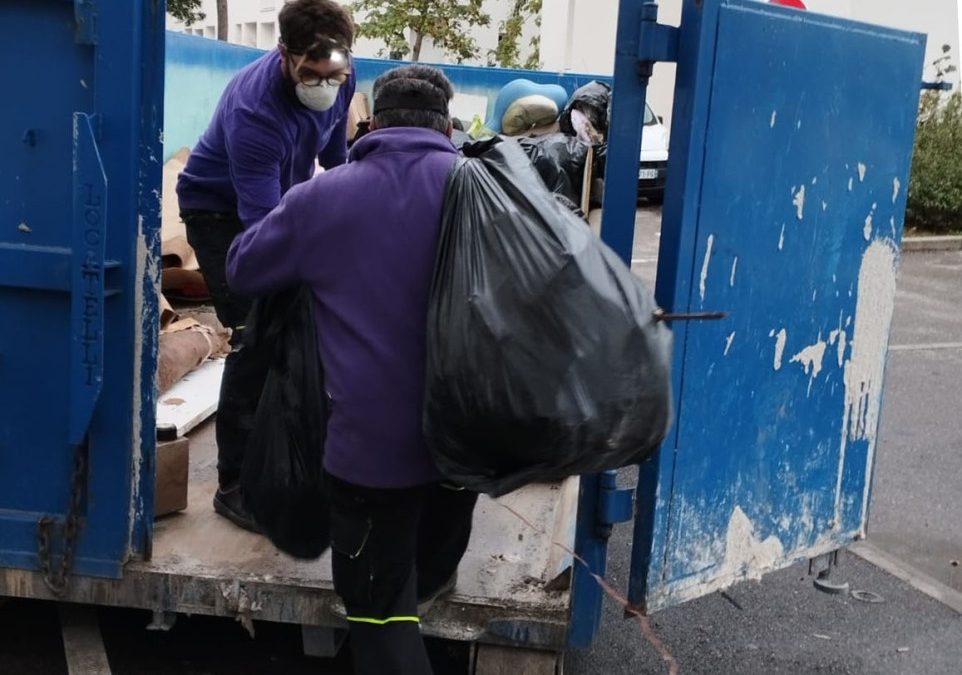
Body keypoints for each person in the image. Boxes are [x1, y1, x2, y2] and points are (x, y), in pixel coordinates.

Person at [225, 65, 478, 674]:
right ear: (447, 126)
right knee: (423, 579)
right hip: (464, 446)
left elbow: (243, 269)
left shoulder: (324, 198)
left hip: (369, 456)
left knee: (380, 612)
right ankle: (426, 582)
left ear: (367, 125)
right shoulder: (485, 192)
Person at [176, 0, 356, 531]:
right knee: (257, 333)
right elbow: (261, 229)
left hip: (281, 199)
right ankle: (235, 484)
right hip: (221, 212)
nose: (323, 84)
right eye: (311, 74)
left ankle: (292, 457)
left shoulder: (341, 72)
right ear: (285, 55)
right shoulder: (255, 112)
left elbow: (338, 162)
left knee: (301, 323)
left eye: (334, 73)